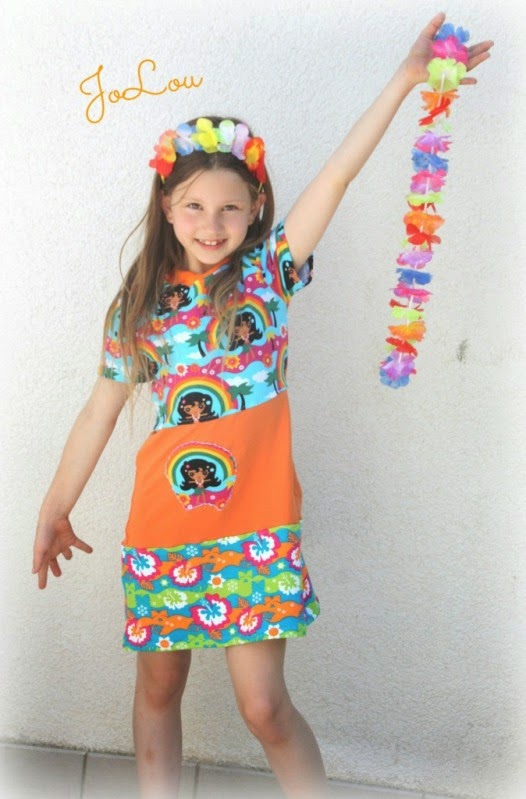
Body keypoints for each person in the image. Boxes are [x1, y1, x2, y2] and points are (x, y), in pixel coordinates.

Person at [32, 13, 492, 799]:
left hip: (258, 522)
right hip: (167, 526)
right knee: (158, 689)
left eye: (229, 208)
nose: (211, 225)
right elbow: (98, 413)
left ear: (254, 209)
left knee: (264, 706)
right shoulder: (140, 306)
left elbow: (337, 176)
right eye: (193, 207)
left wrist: (404, 81)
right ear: (166, 207)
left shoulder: (269, 276)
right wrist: (54, 505)